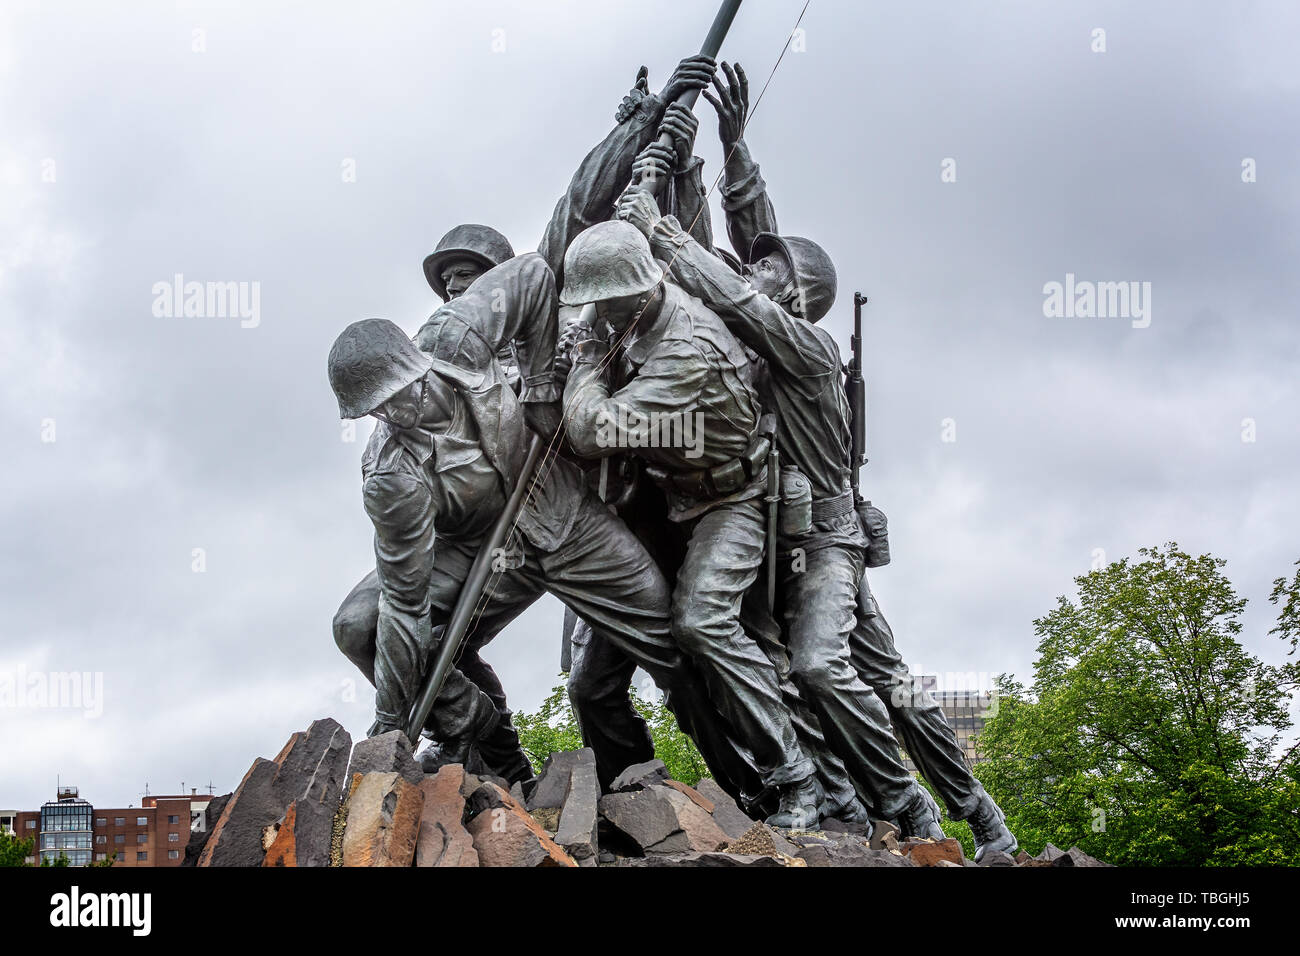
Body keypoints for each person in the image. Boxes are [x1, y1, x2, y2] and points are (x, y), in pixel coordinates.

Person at [327, 254, 751, 796]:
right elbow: (405, 603)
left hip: (567, 522)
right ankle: (483, 740)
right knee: (362, 626)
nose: (392, 414)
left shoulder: (456, 336)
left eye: (396, 395)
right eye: (376, 410)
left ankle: (745, 786)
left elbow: (532, 277)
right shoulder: (392, 476)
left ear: (417, 364)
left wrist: (541, 384)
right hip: (480, 550)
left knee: (673, 648)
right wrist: (392, 723)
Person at [560, 219, 822, 826]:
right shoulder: (639, 304)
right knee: (590, 680)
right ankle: (627, 794)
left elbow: (591, 430)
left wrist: (587, 366)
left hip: (731, 501)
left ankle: (796, 777)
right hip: (663, 500)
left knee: (702, 622)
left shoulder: (686, 348)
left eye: (603, 301)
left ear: (635, 290)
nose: (593, 312)